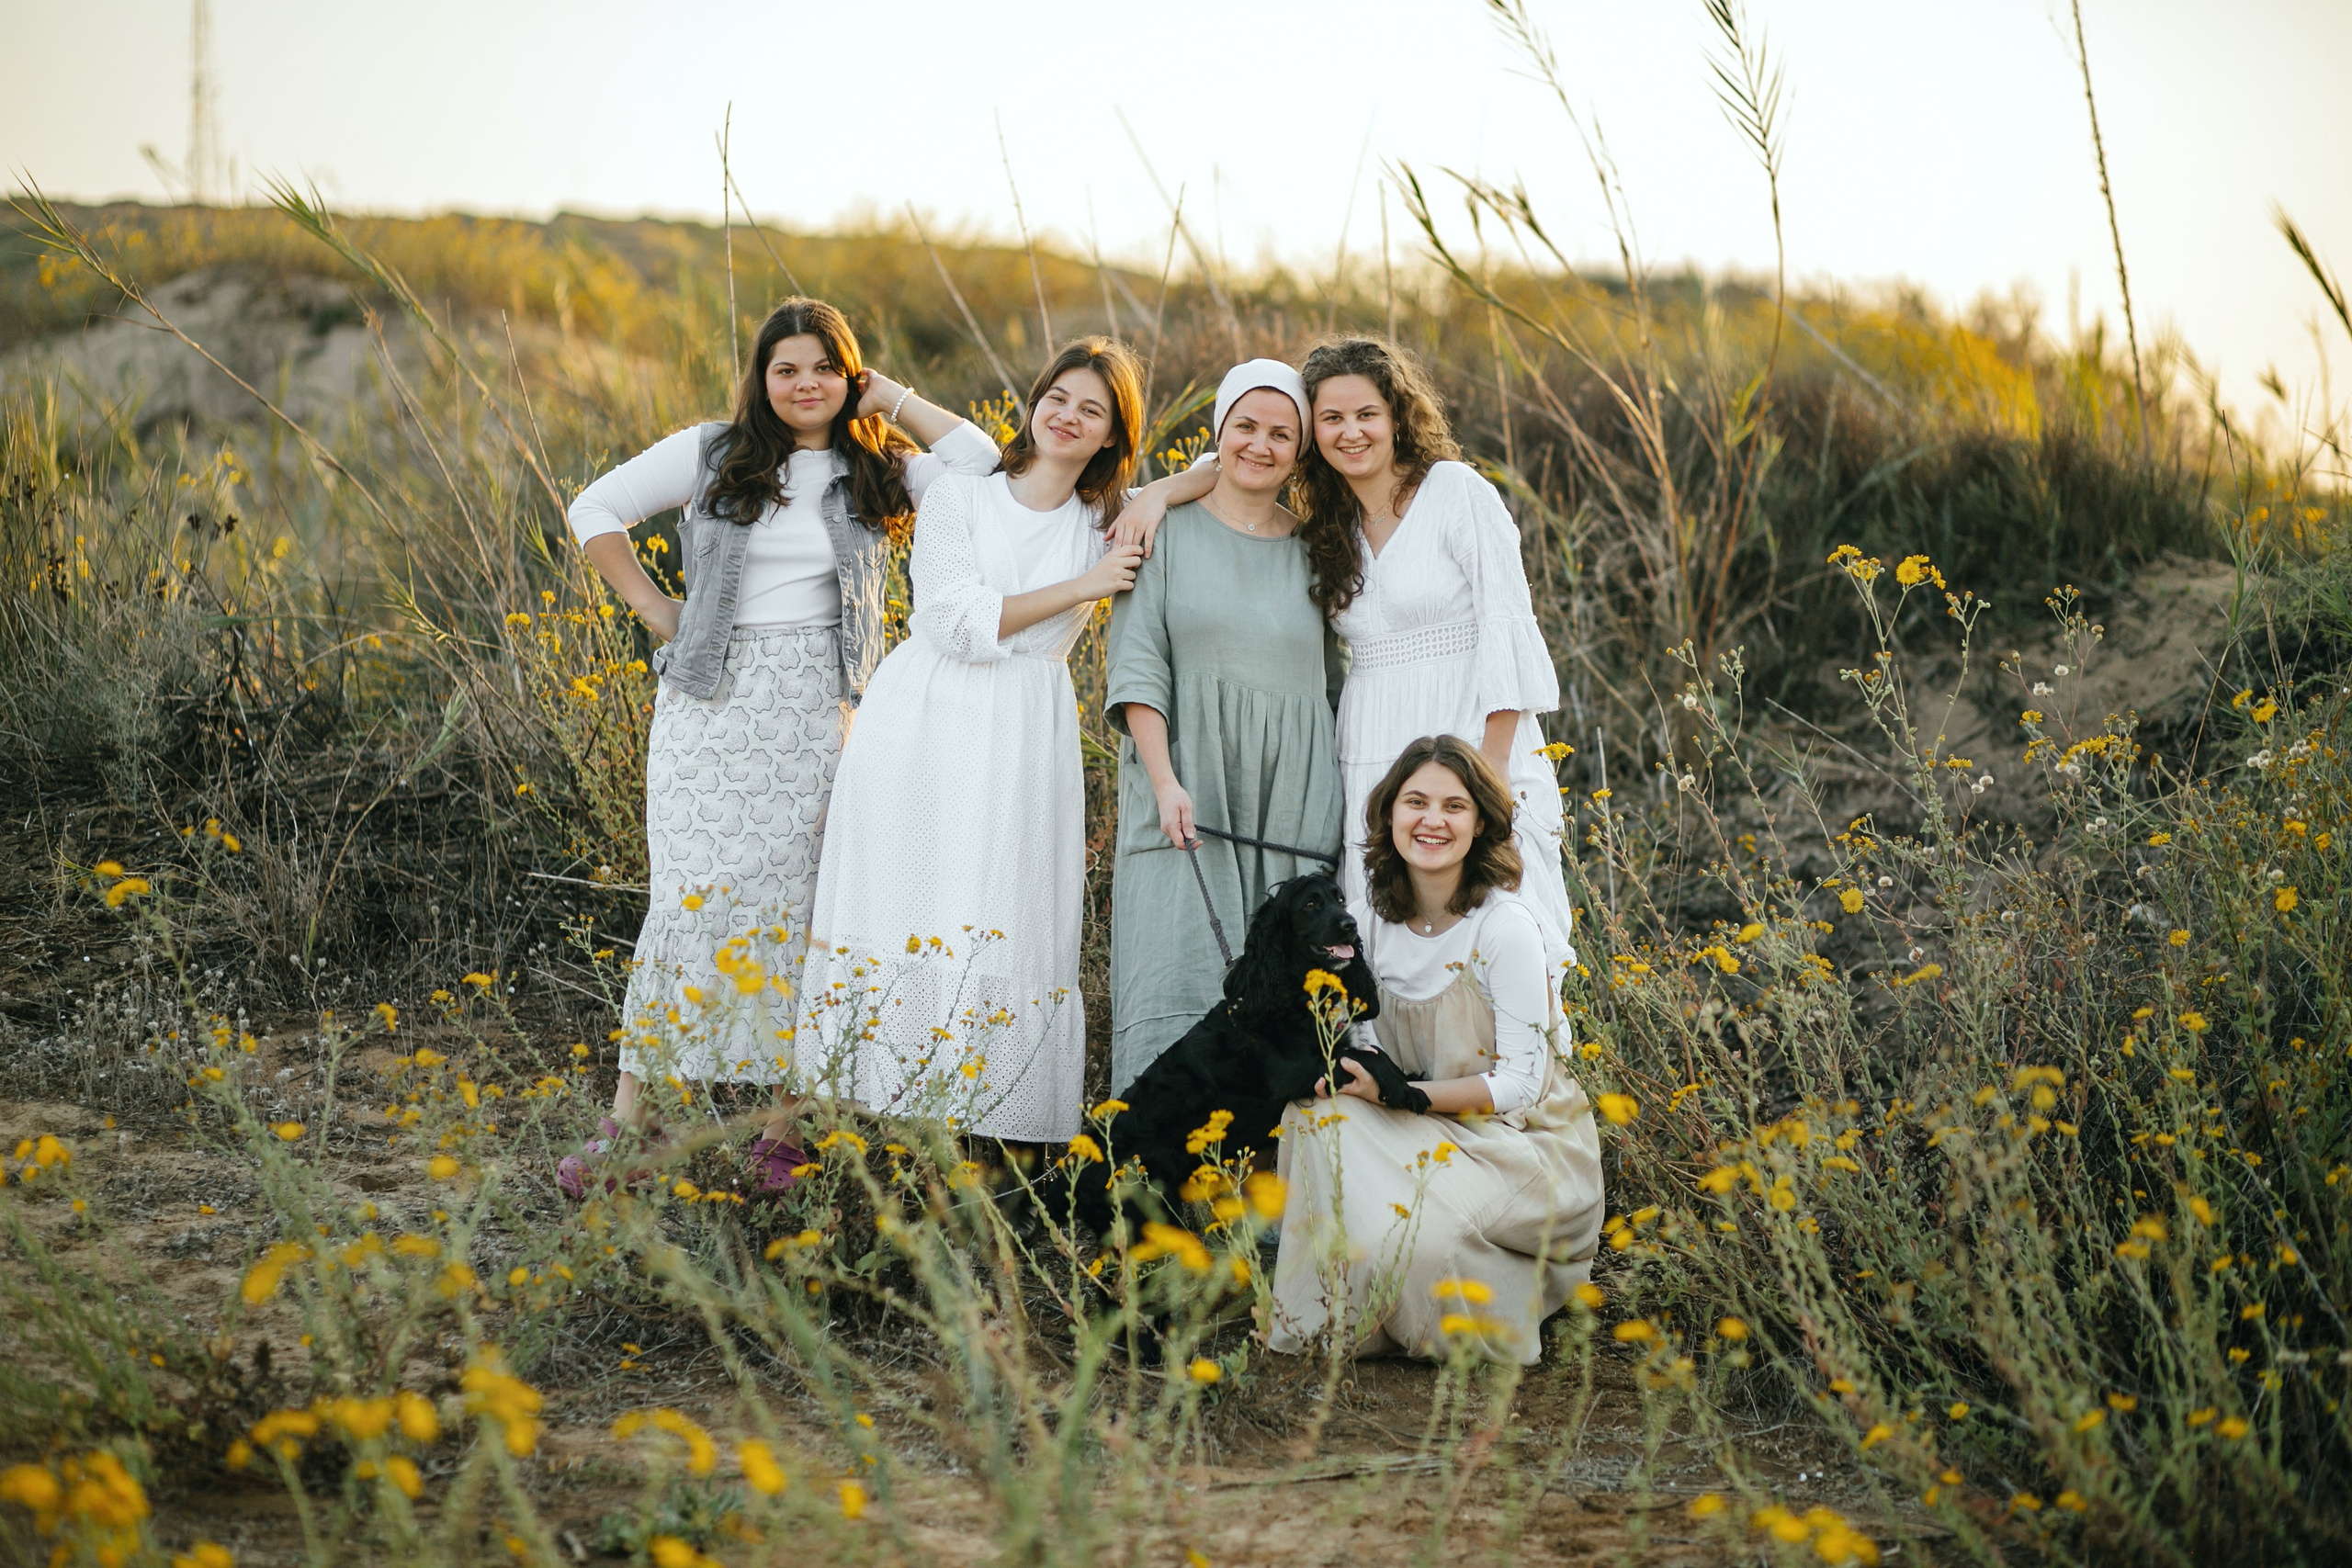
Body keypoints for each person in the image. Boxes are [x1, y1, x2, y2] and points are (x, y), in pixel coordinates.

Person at [559, 297, 1000, 1197]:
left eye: (825, 368)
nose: (806, 384)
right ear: (762, 379)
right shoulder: (713, 453)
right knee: (686, 909)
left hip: (822, 718)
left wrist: (896, 398)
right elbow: (592, 506)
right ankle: (627, 1128)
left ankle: (782, 1135)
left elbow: (983, 463)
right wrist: (654, 609)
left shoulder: (882, 467)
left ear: (851, 375)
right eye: (786, 368)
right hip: (711, 713)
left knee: (809, 917)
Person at [797, 338, 1169, 1144]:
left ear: (1112, 435)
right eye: (1058, 397)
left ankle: (980, 1134)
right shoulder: (964, 494)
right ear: (1033, 403)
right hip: (927, 712)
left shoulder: (1107, 518)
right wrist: (1087, 586)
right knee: (905, 903)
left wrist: (1161, 492)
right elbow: (954, 620)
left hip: (1027, 727)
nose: (1069, 416)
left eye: (1093, 410)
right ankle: (851, 1118)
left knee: (1003, 909)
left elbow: (1216, 468)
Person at [1269, 735, 1603, 1365]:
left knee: (1425, 1245)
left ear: (1480, 823)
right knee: (1307, 1119)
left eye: (1454, 806)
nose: (1432, 820)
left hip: (1516, 1141)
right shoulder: (1366, 921)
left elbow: (1521, 1086)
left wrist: (1401, 1094)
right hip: (1417, 1123)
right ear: (1389, 813)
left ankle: (1474, 1308)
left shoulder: (1504, 927)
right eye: (1415, 801)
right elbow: (1353, 1035)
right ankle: (1343, 1314)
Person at [1103, 359, 1347, 1094]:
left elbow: (1338, 686)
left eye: (1282, 433)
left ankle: (1273, 1201)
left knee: (1285, 1017)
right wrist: (1165, 780)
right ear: (1218, 432)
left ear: (1301, 449)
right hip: (1187, 788)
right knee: (1176, 984)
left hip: (1292, 803)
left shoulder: (1318, 550)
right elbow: (1138, 664)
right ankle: (1149, 1198)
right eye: (1245, 426)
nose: (1261, 445)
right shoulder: (1162, 530)